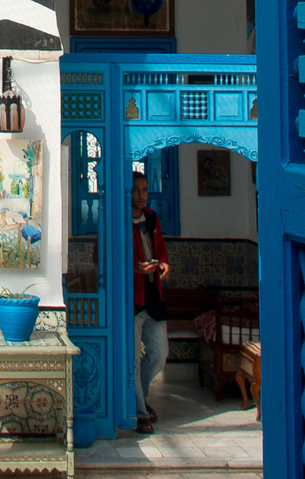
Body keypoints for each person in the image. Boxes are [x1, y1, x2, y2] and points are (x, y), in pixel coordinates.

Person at [130, 169, 170, 434]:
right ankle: (139, 413)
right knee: (132, 360)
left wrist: (164, 263)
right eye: (137, 190)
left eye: (145, 190)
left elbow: (161, 247)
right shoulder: (119, 220)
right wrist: (135, 268)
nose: (142, 195)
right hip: (132, 299)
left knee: (158, 354)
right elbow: (102, 257)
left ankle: (138, 397)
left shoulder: (152, 218)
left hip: (153, 297)